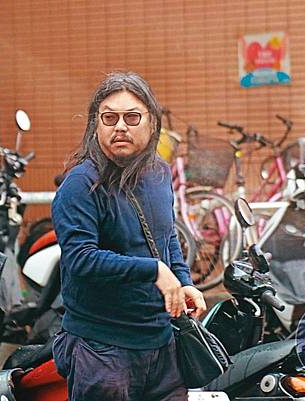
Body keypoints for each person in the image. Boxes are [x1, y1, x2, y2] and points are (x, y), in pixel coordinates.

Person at [51, 71, 206, 401]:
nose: (120, 127)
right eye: (109, 118)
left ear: (152, 123)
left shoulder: (159, 172)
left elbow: (167, 237)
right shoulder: (80, 184)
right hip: (102, 350)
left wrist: (183, 281)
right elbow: (80, 259)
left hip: (163, 345)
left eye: (132, 117)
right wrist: (154, 270)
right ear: (95, 125)